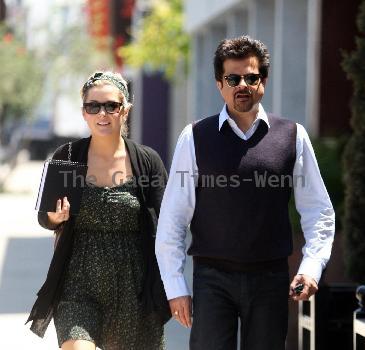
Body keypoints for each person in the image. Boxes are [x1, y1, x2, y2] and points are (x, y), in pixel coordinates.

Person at [155, 35, 335, 350]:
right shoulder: (195, 136)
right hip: (212, 279)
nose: (243, 85)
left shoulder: (292, 136)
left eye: (251, 77)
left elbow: (318, 208)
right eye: (233, 78)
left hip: (271, 278)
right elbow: (172, 216)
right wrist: (175, 285)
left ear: (263, 81)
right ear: (218, 83)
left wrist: (311, 267)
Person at [26, 71, 170, 350]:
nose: (102, 113)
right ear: (84, 113)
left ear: (125, 110)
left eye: (111, 106)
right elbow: (46, 213)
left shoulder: (147, 161)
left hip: (134, 286)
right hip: (78, 283)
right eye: (93, 106)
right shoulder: (67, 156)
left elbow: (167, 220)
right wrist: (53, 218)